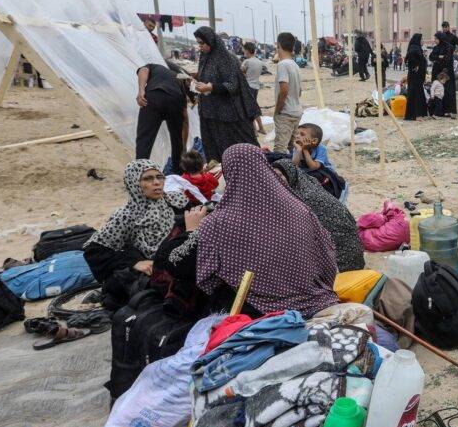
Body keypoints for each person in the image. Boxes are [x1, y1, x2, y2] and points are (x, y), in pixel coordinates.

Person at [187, 144, 338, 317]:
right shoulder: (300, 208)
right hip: (317, 300)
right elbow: (327, 255)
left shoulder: (215, 223)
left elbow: (207, 280)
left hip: (258, 310)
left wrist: (190, 233)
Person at [83, 159, 188, 308]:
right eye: (147, 179)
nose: (157, 182)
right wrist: (135, 263)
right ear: (134, 183)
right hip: (153, 273)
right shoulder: (126, 216)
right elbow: (94, 251)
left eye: (159, 177)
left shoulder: (176, 202)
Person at [269, 159, 364, 272]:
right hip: (352, 254)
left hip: (342, 262)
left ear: (290, 174)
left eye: (280, 175)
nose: (277, 179)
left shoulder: (303, 197)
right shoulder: (308, 182)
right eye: (274, 175)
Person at [192, 26, 260, 162]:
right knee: (215, 151)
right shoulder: (205, 58)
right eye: (198, 43)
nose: (200, 47)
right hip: (210, 113)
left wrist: (211, 87)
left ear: (210, 41)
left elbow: (232, 85)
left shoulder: (226, 58)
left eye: (202, 43)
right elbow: (205, 76)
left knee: (238, 150)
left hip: (229, 115)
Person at [135, 60, 189, 167]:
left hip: (154, 96)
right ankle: (178, 172)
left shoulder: (155, 66)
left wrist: (141, 91)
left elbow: (143, 70)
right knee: (176, 139)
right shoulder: (178, 80)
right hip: (175, 100)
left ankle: (140, 172)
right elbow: (185, 119)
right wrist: (184, 147)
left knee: (144, 139)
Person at [271, 32, 304, 154]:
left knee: (280, 149)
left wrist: (277, 110)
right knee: (292, 149)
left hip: (286, 113)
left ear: (278, 45)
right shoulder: (295, 65)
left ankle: (280, 172)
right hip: (296, 111)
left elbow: (284, 90)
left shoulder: (283, 65)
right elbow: (299, 92)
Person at [240, 42, 266, 137]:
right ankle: (261, 128)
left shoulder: (247, 62)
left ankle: (254, 130)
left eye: (243, 49)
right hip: (256, 86)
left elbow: (240, 73)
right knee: (254, 107)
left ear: (247, 50)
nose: (243, 51)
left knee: (249, 109)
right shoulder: (259, 62)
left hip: (248, 87)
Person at [404, 34, 429, 121]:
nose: (423, 41)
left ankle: (417, 114)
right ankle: (416, 115)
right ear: (417, 40)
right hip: (415, 77)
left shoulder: (416, 48)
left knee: (418, 94)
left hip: (417, 77)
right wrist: (416, 64)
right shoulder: (414, 47)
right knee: (416, 95)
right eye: (421, 39)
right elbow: (409, 56)